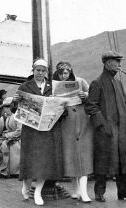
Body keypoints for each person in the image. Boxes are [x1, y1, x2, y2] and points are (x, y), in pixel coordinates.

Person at [85, 51, 126, 202]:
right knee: (103, 161)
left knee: (123, 161)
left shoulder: (118, 83)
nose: (119, 64)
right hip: (105, 131)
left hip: (122, 130)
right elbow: (91, 107)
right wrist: (103, 126)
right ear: (107, 63)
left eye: (119, 61)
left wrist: (125, 119)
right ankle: (99, 193)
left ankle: (124, 192)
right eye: (116, 61)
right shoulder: (97, 83)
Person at [14, 58, 63, 206]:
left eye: (43, 70)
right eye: (38, 70)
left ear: (46, 72)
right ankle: (26, 185)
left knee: (44, 163)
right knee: (30, 162)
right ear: (33, 70)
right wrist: (15, 101)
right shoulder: (25, 86)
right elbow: (14, 110)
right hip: (31, 131)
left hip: (48, 131)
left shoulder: (53, 88)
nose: (40, 73)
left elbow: (61, 110)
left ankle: (37, 192)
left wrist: (60, 105)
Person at [53, 61, 93, 202]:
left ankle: (84, 192)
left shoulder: (80, 81)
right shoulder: (53, 86)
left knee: (83, 156)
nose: (64, 75)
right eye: (61, 72)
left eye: (66, 72)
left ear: (70, 72)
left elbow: (93, 96)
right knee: (70, 156)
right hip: (65, 123)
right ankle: (76, 190)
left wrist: (85, 95)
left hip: (82, 122)